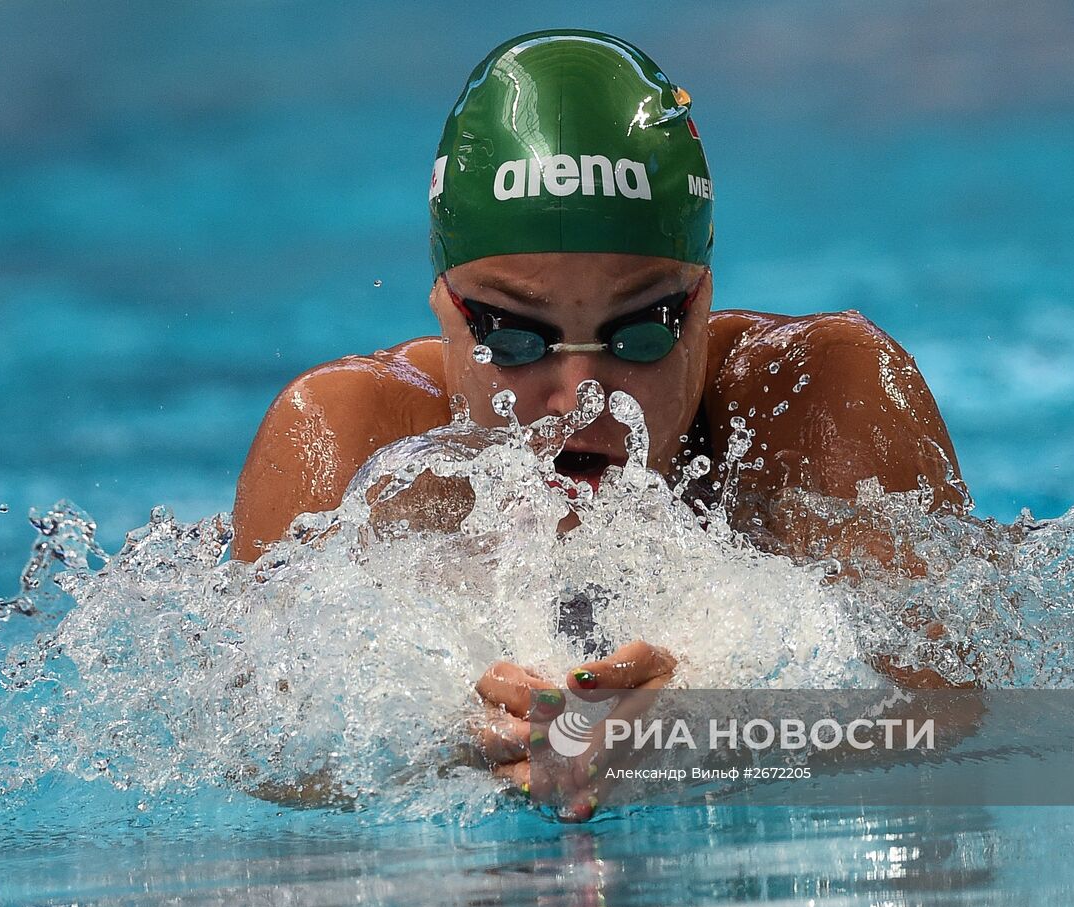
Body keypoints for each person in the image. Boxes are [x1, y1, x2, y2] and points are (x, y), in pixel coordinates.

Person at [232, 30, 968, 819]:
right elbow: (254, 757)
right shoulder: (349, 438)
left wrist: (712, 723)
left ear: (703, 302)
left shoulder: (817, 399)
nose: (580, 397)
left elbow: (954, 723)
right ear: (445, 308)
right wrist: (450, 735)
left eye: (640, 333)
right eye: (515, 338)